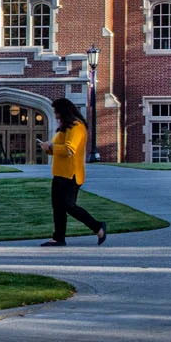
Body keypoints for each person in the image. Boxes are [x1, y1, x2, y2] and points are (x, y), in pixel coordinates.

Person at [43, 97, 108, 247]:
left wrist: (51, 147)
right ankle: (58, 237)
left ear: (63, 111)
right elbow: (60, 148)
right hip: (59, 173)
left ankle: (98, 227)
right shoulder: (65, 127)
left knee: (68, 205)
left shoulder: (77, 127)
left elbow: (69, 149)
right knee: (58, 207)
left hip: (71, 174)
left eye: (56, 111)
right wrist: (49, 148)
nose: (55, 114)